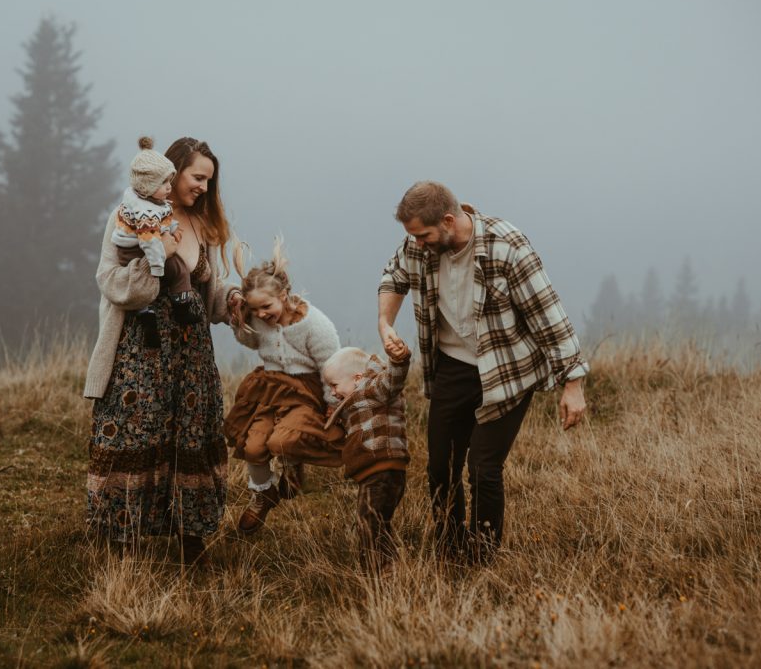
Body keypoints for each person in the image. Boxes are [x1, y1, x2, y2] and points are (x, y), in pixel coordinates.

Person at [377, 181, 589, 562]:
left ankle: (483, 558)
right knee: (442, 467)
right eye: (414, 238)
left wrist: (572, 382)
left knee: (483, 467)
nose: (418, 244)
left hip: (507, 371)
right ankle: (450, 552)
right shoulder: (418, 245)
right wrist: (385, 324)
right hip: (452, 366)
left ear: (447, 220)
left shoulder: (506, 246)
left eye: (424, 236)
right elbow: (394, 276)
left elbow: (548, 314)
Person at [84, 137, 240, 566]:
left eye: (210, 180)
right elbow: (110, 281)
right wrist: (156, 264)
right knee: (137, 432)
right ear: (173, 173)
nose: (204, 188)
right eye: (198, 177)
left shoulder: (201, 228)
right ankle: (125, 541)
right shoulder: (132, 217)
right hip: (142, 347)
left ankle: (192, 541)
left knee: (192, 435)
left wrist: (237, 303)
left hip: (191, 353)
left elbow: (208, 295)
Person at [224, 238, 345, 534]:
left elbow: (332, 366)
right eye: (256, 310)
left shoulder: (315, 324)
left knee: (282, 441)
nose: (262, 315)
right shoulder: (258, 319)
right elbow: (252, 341)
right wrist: (240, 323)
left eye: (267, 306)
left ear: (284, 295)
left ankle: (292, 465)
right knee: (253, 445)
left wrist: (333, 403)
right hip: (269, 386)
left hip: (304, 392)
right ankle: (262, 494)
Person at [321, 339, 412, 573]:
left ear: (357, 379)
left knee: (368, 523)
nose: (332, 392)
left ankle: (376, 573)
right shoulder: (355, 401)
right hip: (375, 472)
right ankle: (390, 567)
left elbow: (393, 379)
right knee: (377, 522)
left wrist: (399, 359)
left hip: (382, 468)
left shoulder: (374, 389)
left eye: (334, 385)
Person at [110, 136, 203, 325]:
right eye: (163, 183)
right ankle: (165, 309)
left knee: (178, 269)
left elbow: (165, 219)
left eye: (170, 180)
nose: (169, 186)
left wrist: (173, 229)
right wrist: (157, 263)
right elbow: (149, 241)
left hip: (187, 348)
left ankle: (157, 308)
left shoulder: (155, 202)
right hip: (137, 251)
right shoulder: (145, 212)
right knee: (177, 269)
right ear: (147, 186)